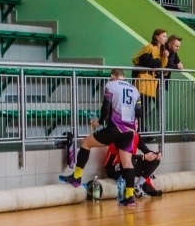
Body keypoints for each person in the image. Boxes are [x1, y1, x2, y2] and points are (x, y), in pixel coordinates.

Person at [59, 69, 141, 207]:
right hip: (130, 131)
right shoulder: (134, 89)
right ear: (124, 77)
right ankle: (129, 197)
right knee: (127, 163)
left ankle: (77, 176)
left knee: (86, 142)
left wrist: (99, 121)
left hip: (115, 128)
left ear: (112, 76)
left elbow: (105, 107)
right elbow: (139, 112)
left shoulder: (111, 85)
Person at [103, 130, 163, 198]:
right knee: (131, 161)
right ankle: (129, 192)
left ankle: (138, 185)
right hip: (112, 168)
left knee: (155, 160)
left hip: (128, 166)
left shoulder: (136, 136)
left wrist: (155, 154)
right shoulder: (121, 137)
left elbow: (146, 151)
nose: (134, 126)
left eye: (136, 124)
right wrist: (143, 157)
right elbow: (127, 157)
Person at [131, 29, 169, 134]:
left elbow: (162, 66)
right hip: (144, 80)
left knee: (145, 108)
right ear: (156, 37)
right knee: (141, 108)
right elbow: (136, 59)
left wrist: (165, 56)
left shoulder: (162, 51)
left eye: (166, 36)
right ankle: (139, 132)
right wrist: (152, 63)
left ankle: (142, 132)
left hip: (152, 82)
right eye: (163, 36)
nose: (165, 38)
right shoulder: (149, 47)